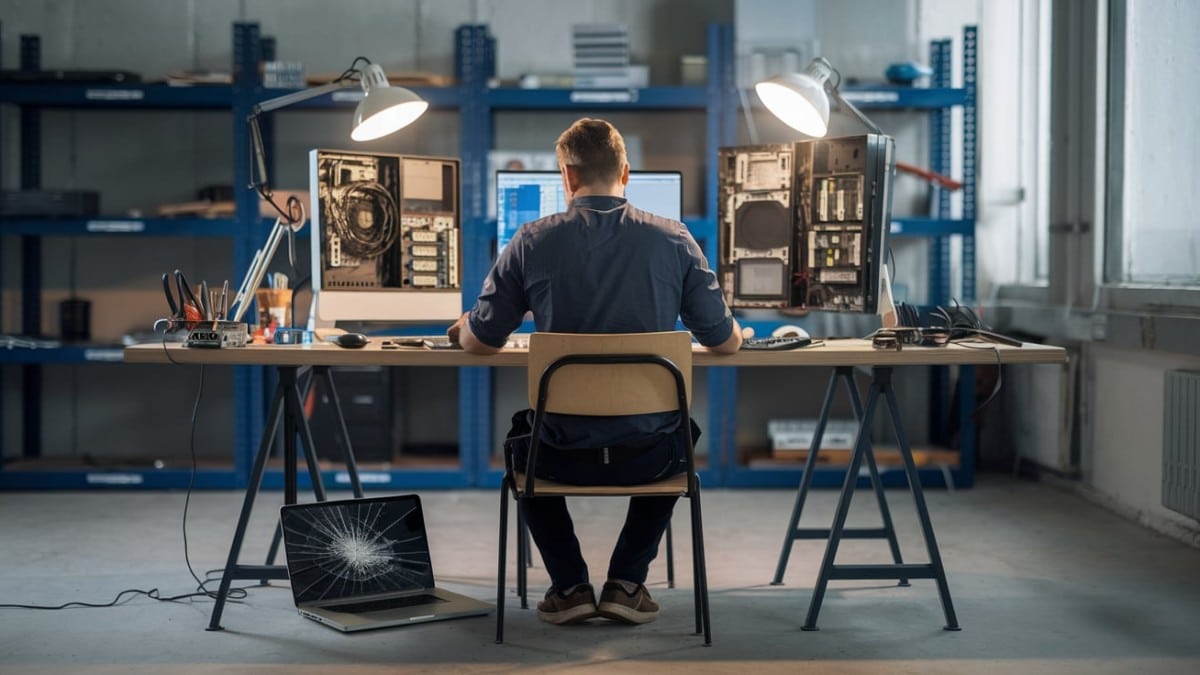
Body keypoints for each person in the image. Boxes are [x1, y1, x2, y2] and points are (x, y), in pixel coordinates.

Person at [448, 117, 742, 627]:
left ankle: (569, 587)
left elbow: (479, 342)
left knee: (522, 443)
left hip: (559, 454)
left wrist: (460, 328)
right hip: (649, 455)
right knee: (682, 439)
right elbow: (723, 340)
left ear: (566, 177)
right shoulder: (675, 240)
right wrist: (745, 335)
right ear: (625, 173)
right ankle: (627, 584)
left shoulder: (531, 240)